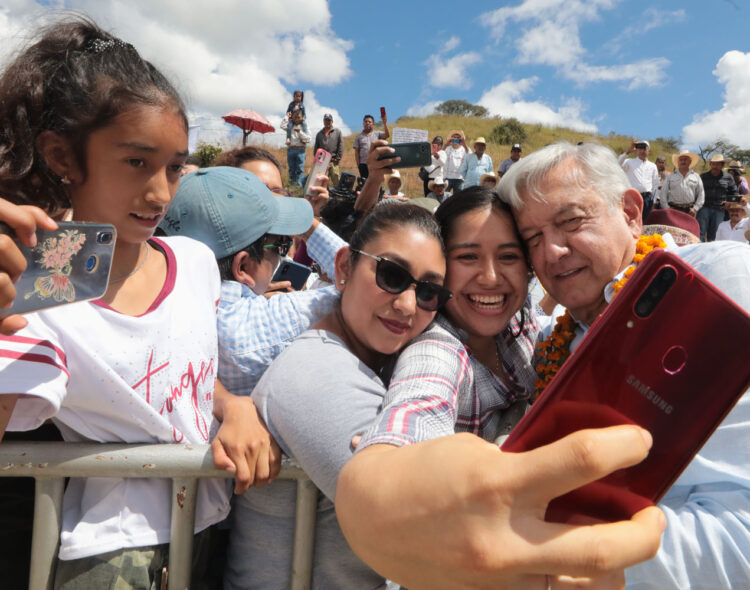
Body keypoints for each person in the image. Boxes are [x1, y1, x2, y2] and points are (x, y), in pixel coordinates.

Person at [0, 17, 270, 588]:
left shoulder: (193, 262)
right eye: (136, 162)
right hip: (112, 555)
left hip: (210, 526)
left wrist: (232, 405)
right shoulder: (46, 274)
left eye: (174, 167)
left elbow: (173, 365)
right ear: (62, 157)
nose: (160, 194)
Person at [499, 141, 750, 589]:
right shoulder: (550, 343)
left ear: (632, 213)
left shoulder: (722, 281)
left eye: (571, 221)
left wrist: (539, 561)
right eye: (532, 239)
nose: (551, 252)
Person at [225, 204, 451, 589]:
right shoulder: (314, 371)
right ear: (344, 268)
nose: (408, 305)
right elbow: (421, 524)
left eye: (428, 291)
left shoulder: (362, 361)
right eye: (391, 275)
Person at [618, 139, 659, 222]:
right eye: (640, 148)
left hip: (647, 198)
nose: (642, 151)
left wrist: (654, 201)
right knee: (630, 220)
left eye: (644, 148)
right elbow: (617, 164)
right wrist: (627, 152)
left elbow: (655, 184)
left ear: (648, 150)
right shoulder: (629, 162)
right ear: (636, 150)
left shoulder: (652, 166)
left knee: (643, 221)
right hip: (632, 197)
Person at [662, 150, 703, 217]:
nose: (683, 161)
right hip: (673, 209)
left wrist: (695, 209)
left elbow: (701, 194)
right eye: (681, 160)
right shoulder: (670, 176)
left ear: (690, 161)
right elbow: (663, 194)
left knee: (688, 228)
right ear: (678, 162)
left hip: (690, 211)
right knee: (673, 227)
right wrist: (667, 209)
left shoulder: (696, 176)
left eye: (685, 159)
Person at [353, 113, 389, 179]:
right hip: (363, 164)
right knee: (365, 184)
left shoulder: (377, 134)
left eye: (369, 122)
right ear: (363, 124)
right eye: (365, 121)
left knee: (376, 183)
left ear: (373, 124)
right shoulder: (358, 137)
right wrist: (359, 165)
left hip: (375, 163)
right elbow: (356, 152)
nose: (367, 123)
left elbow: (387, 135)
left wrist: (384, 122)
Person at [280, 110, 311, 186]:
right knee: (291, 169)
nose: (297, 119)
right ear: (292, 117)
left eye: (298, 117)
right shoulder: (290, 125)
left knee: (300, 169)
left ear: (302, 118)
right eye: (295, 117)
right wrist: (286, 116)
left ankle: (299, 185)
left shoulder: (304, 126)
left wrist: (300, 132)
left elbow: (308, 139)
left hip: (300, 150)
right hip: (291, 149)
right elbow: (282, 126)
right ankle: (292, 184)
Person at [313, 113, 344, 186]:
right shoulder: (319, 134)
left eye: (329, 120)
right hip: (322, 161)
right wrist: (317, 159)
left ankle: (338, 196)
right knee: (321, 180)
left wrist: (338, 158)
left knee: (336, 179)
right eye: (325, 120)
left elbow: (341, 145)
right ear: (323, 121)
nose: (327, 122)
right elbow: (316, 148)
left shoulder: (337, 132)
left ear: (332, 121)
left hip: (333, 160)